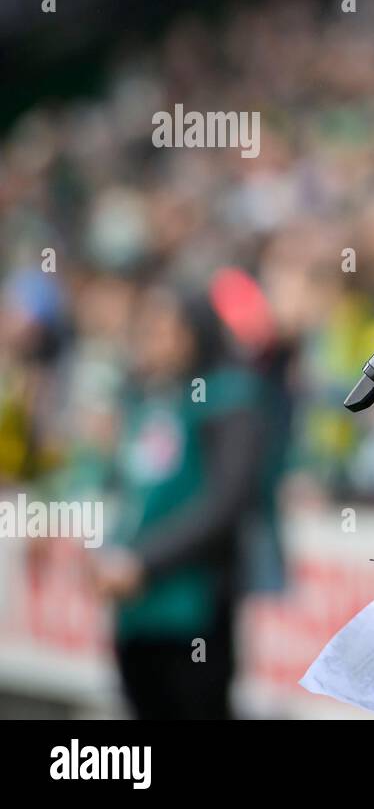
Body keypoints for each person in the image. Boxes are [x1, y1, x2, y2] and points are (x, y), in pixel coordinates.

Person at [90, 280, 266, 719]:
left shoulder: (227, 395)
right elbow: (127, 490)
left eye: (165, 328)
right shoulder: (145, 397)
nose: (153, 340)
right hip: (137, 609)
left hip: (194, 605)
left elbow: (225, 504)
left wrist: (145, 562)